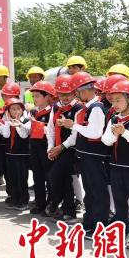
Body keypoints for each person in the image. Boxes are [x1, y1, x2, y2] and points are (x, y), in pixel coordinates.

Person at [54, 72, 108, 239]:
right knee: (90, 192)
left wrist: (74, 125)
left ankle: (99, 227)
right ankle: (90, 223)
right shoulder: (89, 108)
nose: (76, 94)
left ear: (85, 90)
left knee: (97, 192)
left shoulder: (96, 108)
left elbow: (94, 133)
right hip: (86, 156)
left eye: (77, 91)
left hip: (94, 157)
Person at [102, 80, 129, 250]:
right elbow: (106, 141)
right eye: (113, 100)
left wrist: (124, 132)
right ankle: (120, 232)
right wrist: (114, 133)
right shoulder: (113, 119)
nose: (114, 104)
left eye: (118, 100)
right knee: (119, 202)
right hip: (116, 168)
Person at [46, 74, 84, 222]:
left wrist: (60, 147)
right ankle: (66, 210)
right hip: (56, 148)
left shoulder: (78, 108)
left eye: (68, 93)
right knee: (61, 179)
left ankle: (60, 205)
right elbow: (50, 128)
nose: (65, 96)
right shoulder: (55, 107)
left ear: (74, 92)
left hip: (70, 149)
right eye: (61, 93)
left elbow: (75, 134)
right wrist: (50, 147)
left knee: (56, 176)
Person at [27, 80, 57, 215]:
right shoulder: (33, 111)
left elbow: (53, 130)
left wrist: (38, 125)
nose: (34, 99)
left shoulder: (52, 111)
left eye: (37, 96)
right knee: (37, 176)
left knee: (49, 176)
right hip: (34, 146)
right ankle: (39, 203)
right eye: (33, 96)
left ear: (47, 97)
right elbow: (28, 130)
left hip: (46, 146)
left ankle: (52, 204)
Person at [0, 98, 31, 211]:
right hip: (9, 153)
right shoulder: (7, 121)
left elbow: (23, 135)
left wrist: (18, 125)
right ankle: (15, 199)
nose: (16, 111)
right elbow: (6, 135)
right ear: (8, 111)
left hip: (22, 154)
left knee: (22, 178)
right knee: (12, 178)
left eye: (18, 108)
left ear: (22, 110)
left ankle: (23, 201)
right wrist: (7, 123)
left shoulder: (26, 120)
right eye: (13, 109)